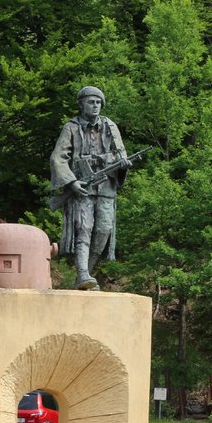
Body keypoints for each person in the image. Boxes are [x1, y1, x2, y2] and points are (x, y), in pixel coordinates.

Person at [49, 86, 132, 290]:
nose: (95, 106)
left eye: (98, 102)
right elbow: (58, 158)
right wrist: (71, 182)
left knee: (104, 230)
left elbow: (121, 153)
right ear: (82, 104)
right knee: (83, 229)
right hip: (82, 186)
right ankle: (83, 273)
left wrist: (122, 163)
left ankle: (86, 274)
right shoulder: (71, 127)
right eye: (90, 102)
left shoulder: (110, 126)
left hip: (106, 187)